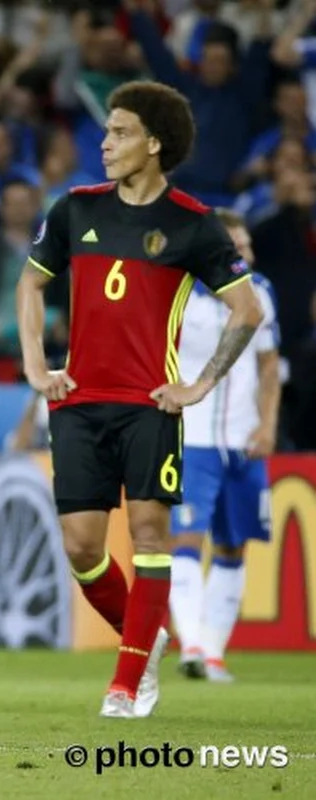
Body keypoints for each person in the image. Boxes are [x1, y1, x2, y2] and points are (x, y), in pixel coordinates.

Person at [16, 79, 264, 719]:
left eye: (120, 132)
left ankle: (128, 683)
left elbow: (248, 308)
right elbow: (30, 287)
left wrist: (200, 384)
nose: (105, 143)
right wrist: (37, 365)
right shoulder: (75, 208)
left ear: (155, 143)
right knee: (80, 548)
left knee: (151, 535)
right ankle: (144, 636)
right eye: (106, 131)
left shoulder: (193, 223)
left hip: (151, 404)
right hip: (78, 401)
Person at [170, 208, 280, 683]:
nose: (247, 256)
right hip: (191, 437)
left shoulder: (262, 294)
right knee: (187, 539)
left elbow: (271, 367)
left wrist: (267, 425)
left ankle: (212, 652)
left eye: (249, 247)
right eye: (237, 247)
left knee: (235, 545)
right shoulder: (179, 295)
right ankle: (191, 643)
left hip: (242, 437)